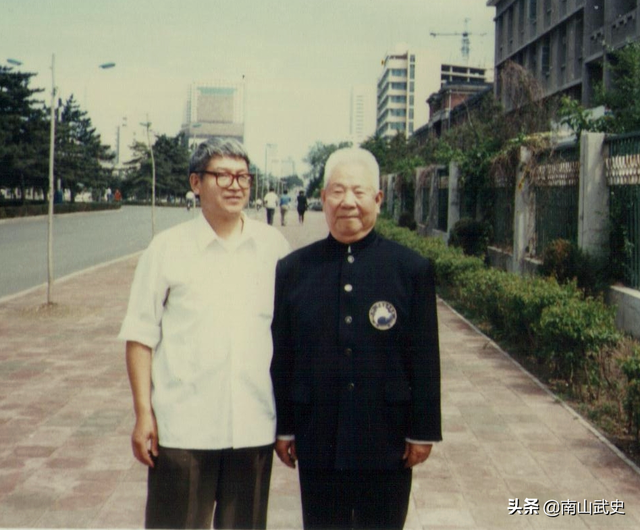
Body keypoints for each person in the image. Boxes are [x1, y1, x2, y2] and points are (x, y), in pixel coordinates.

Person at [119, 138, 290, 529]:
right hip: (184, 430)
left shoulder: (274, 248)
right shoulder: (166, 249)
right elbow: (140, 336)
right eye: (223, 175)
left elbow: (288, 339)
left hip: (253, 426)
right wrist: (144, 413)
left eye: (243, 176)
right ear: (196, 183)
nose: (236, 185)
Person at [271, 147, 441, 530]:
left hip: (387, 436)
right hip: (318, 434)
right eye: (337, 191)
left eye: (359, 192)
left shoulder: (410, 269)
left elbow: (425, 356)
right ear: (324, 197)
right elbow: (284, 355)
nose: (348, 202)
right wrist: (285, 426)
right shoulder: (295, 270)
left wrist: (422, 429)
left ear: (378, 200)